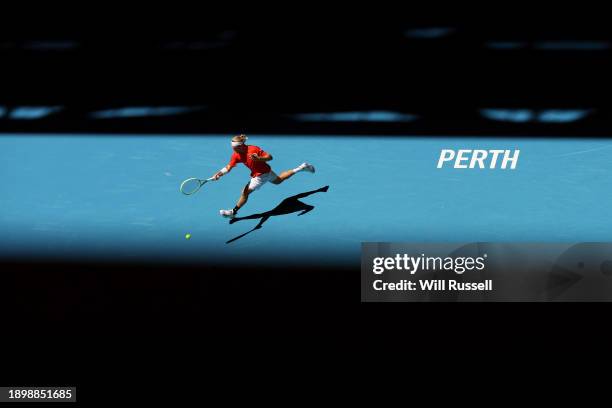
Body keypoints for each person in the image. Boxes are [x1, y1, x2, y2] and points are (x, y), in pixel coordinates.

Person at [213, 134, 315, 218]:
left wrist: (259, 159)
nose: (233, 149)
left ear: (240, 146)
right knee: (278, 180)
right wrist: (219, 174)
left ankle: (233, 212)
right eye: (232, 147)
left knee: (244, 192)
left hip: (260, 176)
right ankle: (301, 167)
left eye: (234, 147)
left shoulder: (253, 149)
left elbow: (270, 157)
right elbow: (229, 167)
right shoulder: (236, 154)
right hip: (267, 171)